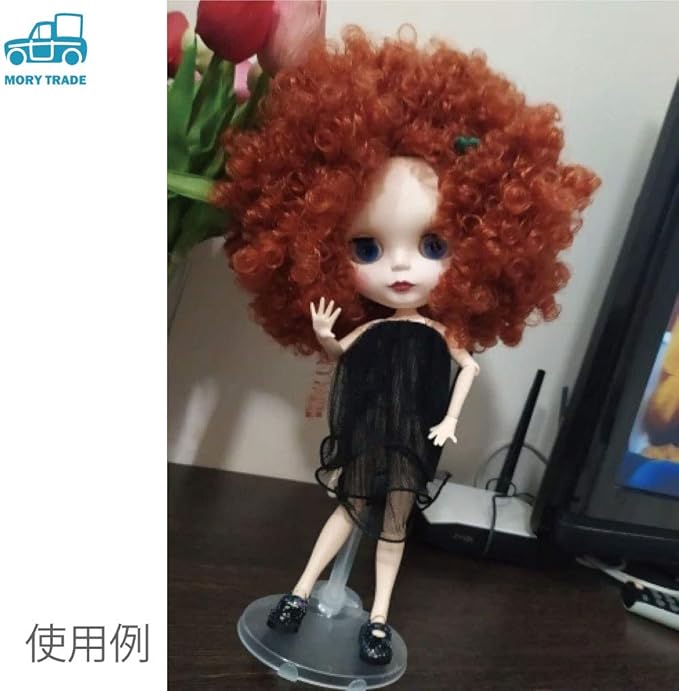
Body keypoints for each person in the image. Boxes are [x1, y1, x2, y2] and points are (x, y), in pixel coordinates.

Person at [214, 25, 600, 665]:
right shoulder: (373, 328)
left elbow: (468, 368)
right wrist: (324, 337)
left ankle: (378, 617)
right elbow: (343, 356)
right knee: (347, 510)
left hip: (415, 437)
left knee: (394, 525)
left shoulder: (437, 333)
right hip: (369, 430)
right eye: (367, 247)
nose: (400, 267)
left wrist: (449, 420)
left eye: (432, 245)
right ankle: (301, 592)